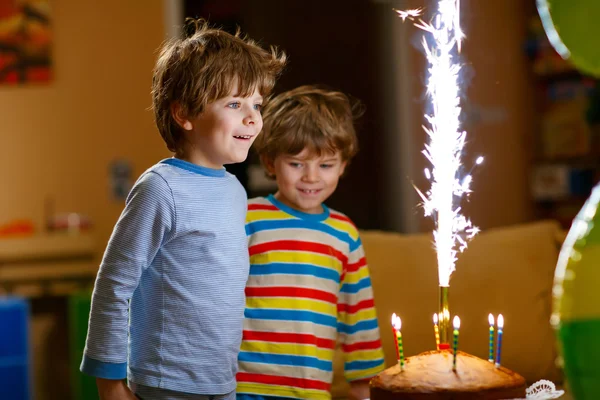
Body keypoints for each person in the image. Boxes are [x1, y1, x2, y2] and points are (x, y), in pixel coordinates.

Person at [80, 18, 286, 400]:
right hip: (165, 383)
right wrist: (109, 384)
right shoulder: (161, 189)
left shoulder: (233, 189)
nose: (253, 117)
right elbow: (113, 285)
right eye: (235, 103)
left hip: (222, 381)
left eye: (257, 104)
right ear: (183, 115)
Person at [236, 85, 385, 400]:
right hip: (242, 386)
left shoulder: (345, 234)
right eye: (296, 163)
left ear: (343, 165)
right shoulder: (247, 217)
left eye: (326, 165)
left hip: (311, 391)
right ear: (270, 162)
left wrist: (364, 387)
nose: (311, 177)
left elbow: (359, 317)